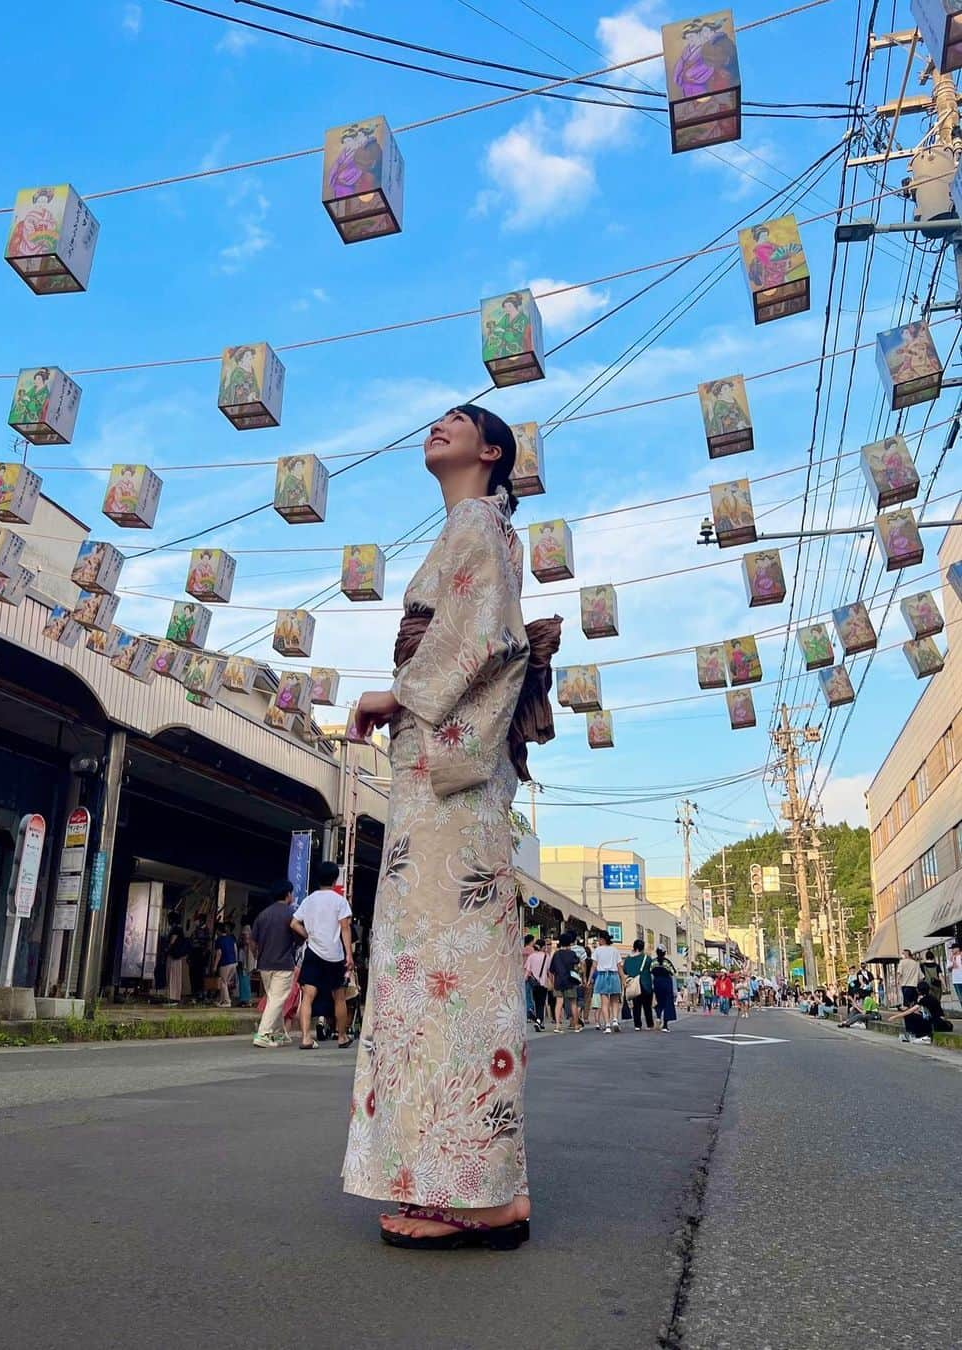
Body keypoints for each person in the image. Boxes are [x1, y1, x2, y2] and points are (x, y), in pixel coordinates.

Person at [343, 404, 556, 1252]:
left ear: (492, 452)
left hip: (445, 770)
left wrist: (396, 691)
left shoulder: (477, 520)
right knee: (447, 969)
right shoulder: (481, 528)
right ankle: (464, 1179)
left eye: (457, 423)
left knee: (445, 970)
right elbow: (485, 633)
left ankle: (481, 1194)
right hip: (447, 765)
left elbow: (486, 635)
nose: (436, 428)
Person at [291, 861, 353, 1051]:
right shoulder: (340, 901)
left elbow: (294, 923)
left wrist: (308, 935)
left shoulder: (309, 900)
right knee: (339, 996)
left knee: (308, 996)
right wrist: (349, 954)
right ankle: (342, 1036)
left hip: (313, 952)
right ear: (335, 879)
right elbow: (345, 928)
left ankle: (305, 1038)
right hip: (334, 954)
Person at [250, 879, 298, 1047]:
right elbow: (298, 937)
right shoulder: (291, 914)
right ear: (288, 894)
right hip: (283, 964)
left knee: (273, 998)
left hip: (264, 964)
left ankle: (279, 1034)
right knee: (277, 999)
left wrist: (257, 955)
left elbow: (252, 942)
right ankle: (263, 1034)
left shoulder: (263, 914)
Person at [887, 980, 954, 1044]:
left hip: (936, 1022)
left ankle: (917, 1035)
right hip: (937, 1020)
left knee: (909, 1015)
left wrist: (894, 1017)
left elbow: (910, 1011)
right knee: (915, 1015)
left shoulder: (925, 999)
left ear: (919, 991)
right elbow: (925, 1012)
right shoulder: (930, 997)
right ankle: (915, 1035)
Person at [549, 931, 583, 1033]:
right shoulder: (572, 954)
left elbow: (552, 970)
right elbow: (578, 964)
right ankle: (576, 1025)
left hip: (559, 981)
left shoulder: (556, 954)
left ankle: (558, 1025)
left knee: (559, 1003)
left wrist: (552, 982)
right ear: (570, 943)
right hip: (570, 981)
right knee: (573, 1002)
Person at [589, 929, 623, 1033]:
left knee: (604, 1002)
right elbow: (619, 966)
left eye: (599, 938)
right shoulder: (614, 950)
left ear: (602, 939)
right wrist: (623, 978)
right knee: (615, 1001)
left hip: (602, 976)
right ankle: (615, 1020)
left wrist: (589, 978)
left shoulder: (597, 950)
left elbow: (594, 966)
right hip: (614, 975)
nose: (598, 940)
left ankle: (607, 1025)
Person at [621, 938, 654, 1031]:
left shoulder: (627, 959)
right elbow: (651, 970)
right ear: (642, 948)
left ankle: (637, 1025)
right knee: (647, 1006)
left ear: (634, 947)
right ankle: (649, 1024)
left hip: (633, 985)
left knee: (636, 1005)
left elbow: (625, 971)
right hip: (645, 984)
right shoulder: (646, 958)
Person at [524, 938, 551, 1031]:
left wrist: (525, 980)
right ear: (543, 947)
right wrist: (552, 981)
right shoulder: (546, 957)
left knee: (536, 1002)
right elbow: (549, 971)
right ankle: (539, 1021)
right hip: (543, 983)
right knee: (542, 1003)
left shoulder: (531, 956)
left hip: (534, 984)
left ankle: (538, 1021)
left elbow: (528, 971)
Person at [211, 921, 238, 1008]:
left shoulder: (219, 940)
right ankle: (222, 1001)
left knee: (223, 982)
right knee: (225, 982)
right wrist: (236, 961)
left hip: (225, 963)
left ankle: (227, 1001)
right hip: (233, 963)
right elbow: (235, 949)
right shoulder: (231, 938)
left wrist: (215, 966)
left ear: (218, 931)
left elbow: (219, 953)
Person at [164, 910, 188, 1005]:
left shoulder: (175, 929)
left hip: (173, 955)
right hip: (177, 956)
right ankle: (175, 996)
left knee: (172, 975)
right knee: (176, 975)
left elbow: (172, 941)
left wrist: (167, 949)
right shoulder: (180, 929)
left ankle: (172, 997)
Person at [652, 949, 678, 1031]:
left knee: (658, 1002)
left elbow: (650, 973)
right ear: (664, 953)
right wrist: (675, 989)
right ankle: (665, 1025)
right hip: (666, 983)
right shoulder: (667, 962)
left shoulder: (653, 962)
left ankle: (658, 1017)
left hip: (657, 983)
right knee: (668, 1003)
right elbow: (673, 973)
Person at [188, 913, 212, 1004]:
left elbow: (208, 946)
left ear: (201, 921)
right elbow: (191, 942)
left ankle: (201, 996)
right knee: (193, 976)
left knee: (201, 977)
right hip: (194, 956)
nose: (195, 922)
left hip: (201, 957)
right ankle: (195, 995)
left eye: (197, 920)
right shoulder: (196, 930)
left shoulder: (206, 931)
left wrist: (204, 956)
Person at [949, 941, 962, 1007]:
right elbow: (949, 969)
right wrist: (953, 961)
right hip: (957, 981)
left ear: (958, 948)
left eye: (953, 948)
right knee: (961, 998)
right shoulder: (951, 958)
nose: (952, 950)